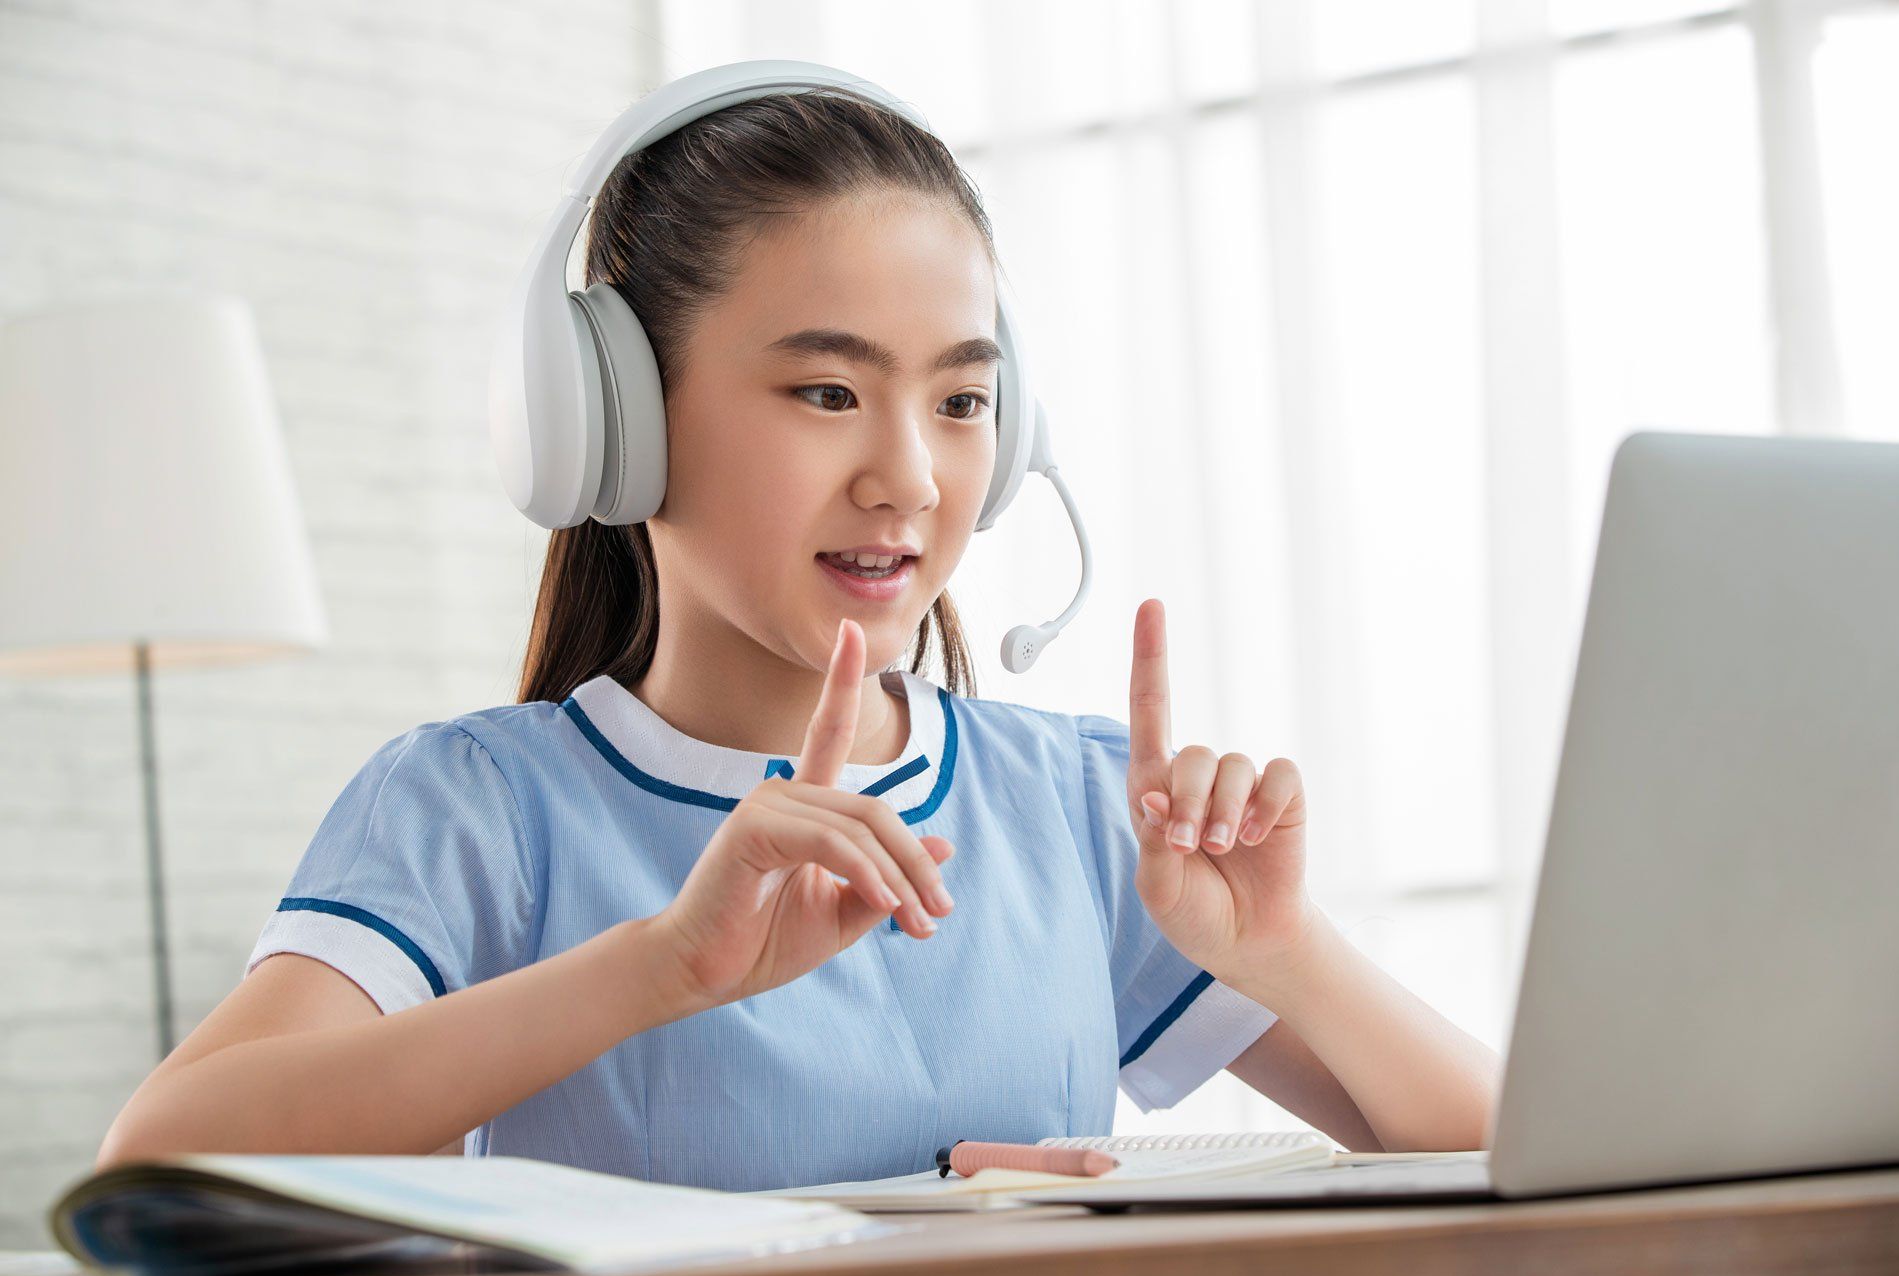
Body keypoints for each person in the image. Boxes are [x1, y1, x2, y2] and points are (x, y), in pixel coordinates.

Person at [97, 88, 1499, 1190]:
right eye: (828, 392)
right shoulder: (479, 811)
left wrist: (1287, 954)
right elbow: (162, 1161)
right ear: (616, 423)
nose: (911, 477)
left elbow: (1510, 1157)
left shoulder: (1077, 809)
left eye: (959, 402)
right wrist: (660, 970)